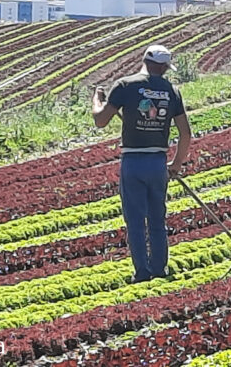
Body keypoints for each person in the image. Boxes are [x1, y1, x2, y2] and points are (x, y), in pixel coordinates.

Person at [92, 44, 192, 283]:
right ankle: (159, 268)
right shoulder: (171, 91)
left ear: (145, 61)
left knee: (135, 221)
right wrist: (176, 164)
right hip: (158, 161)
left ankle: (142, 272)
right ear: (164, 67)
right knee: (157, 219)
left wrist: (96, 99)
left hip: (133, 161)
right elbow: (186, 134)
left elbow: (100, 121)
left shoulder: (125, 86)